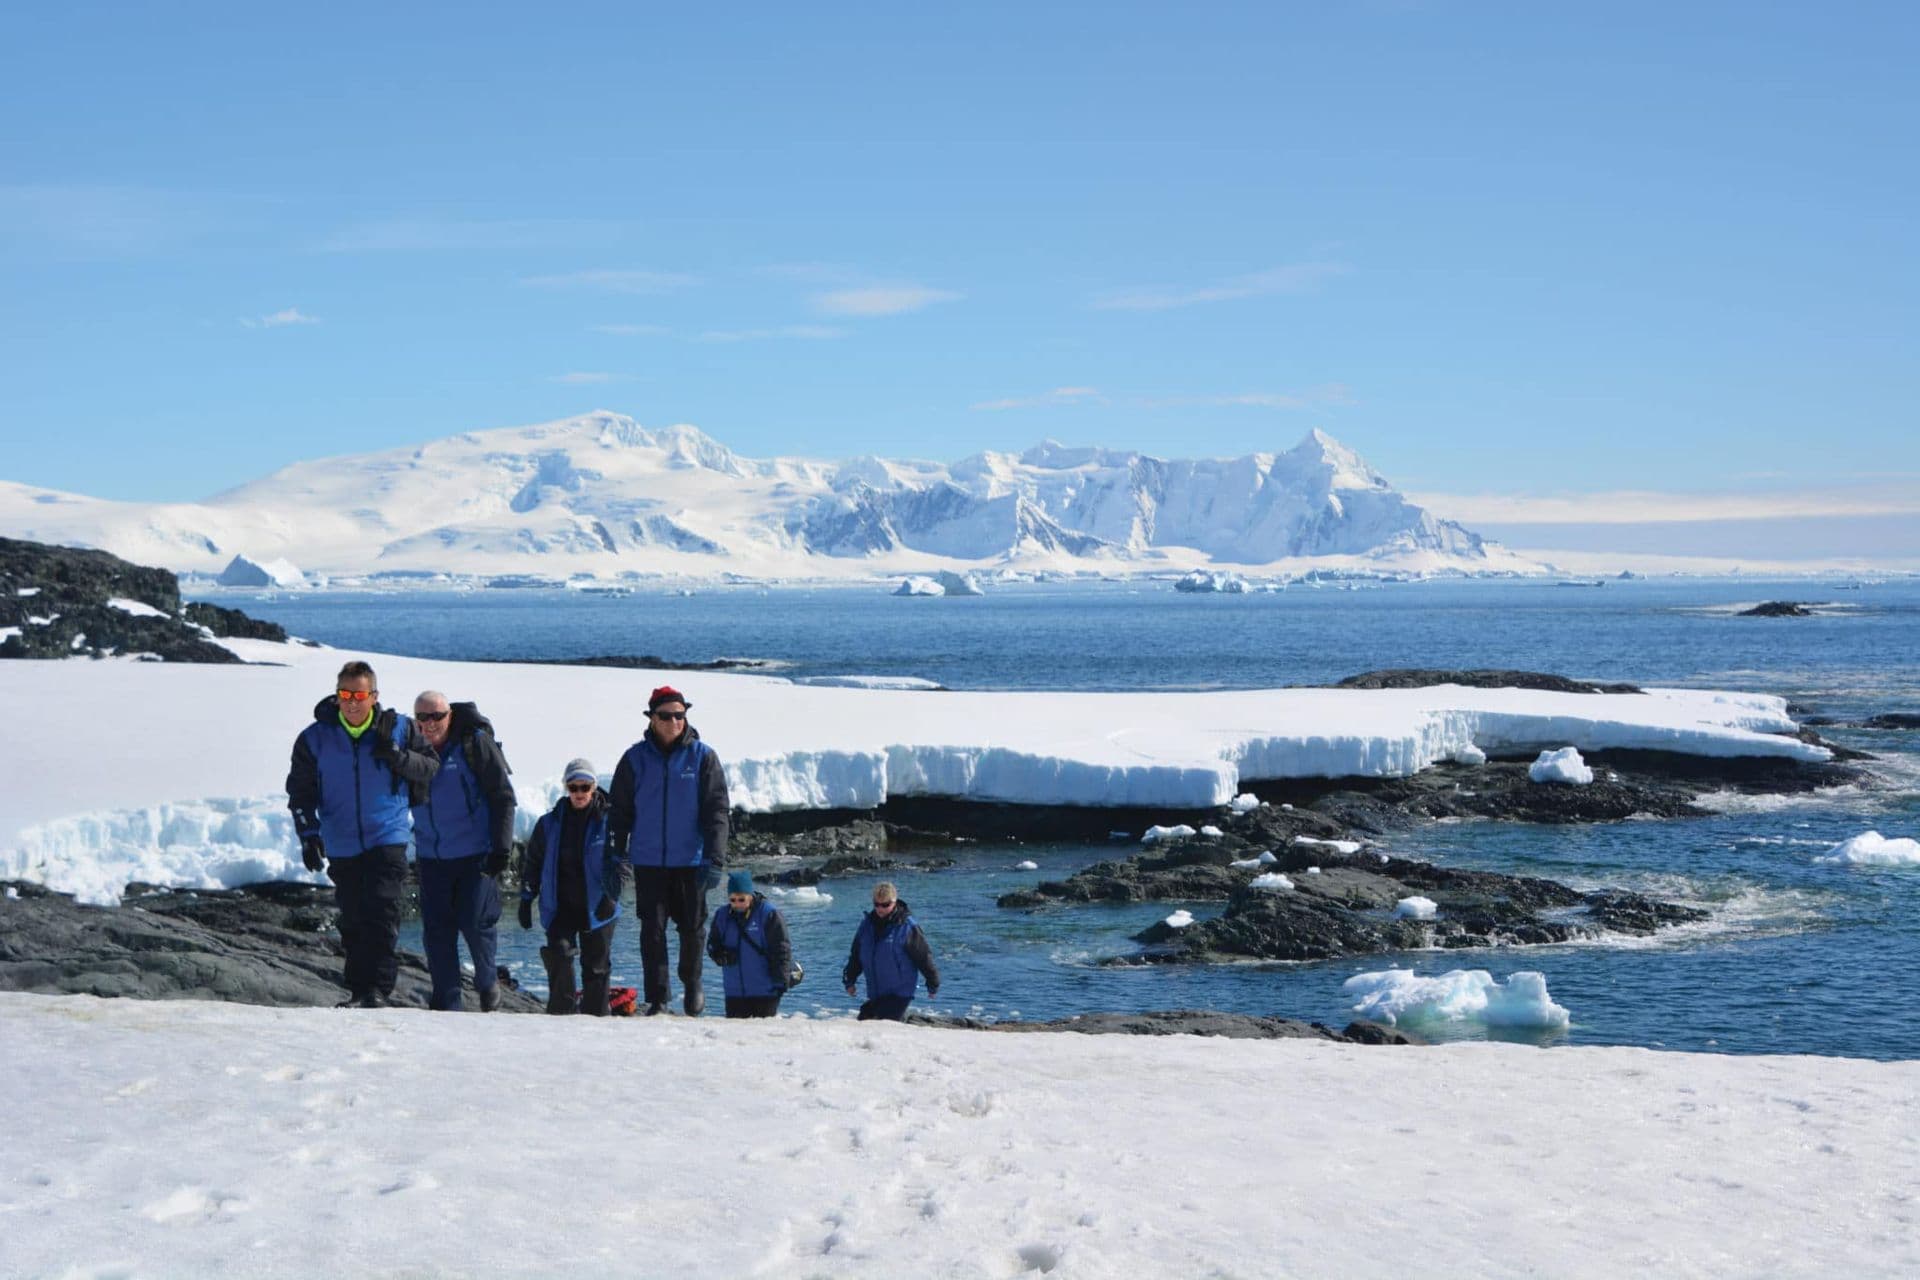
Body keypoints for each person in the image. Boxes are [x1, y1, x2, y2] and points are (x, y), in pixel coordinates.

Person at [287, 660, 440, 1008]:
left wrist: (398, 757)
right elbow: (300, 791)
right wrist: (308, 834)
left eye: (359, 695)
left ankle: (377, 991)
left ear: (374, 696)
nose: (352, 703)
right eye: (345, 695)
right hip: (342, 841)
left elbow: (430, 766)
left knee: (382, 912)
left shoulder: (398, 729)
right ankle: (359, 990)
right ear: (337, 696)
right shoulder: (314, 738)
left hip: (387, 836)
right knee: (354, 918)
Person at [609, 685, 730, 1016]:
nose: (674, 721)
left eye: (680, 715)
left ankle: (692, 983)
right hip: (649, 861)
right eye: (666, 716)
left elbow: (717, 811)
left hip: (691, 861)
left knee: (692, 929)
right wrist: (616, 855)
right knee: (652, 931)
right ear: (651, 718)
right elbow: (619, 813)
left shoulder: (703, 757)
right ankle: (659, 997)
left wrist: (715, 858)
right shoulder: (634, 759)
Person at [409, 690, 517, 1013]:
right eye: (423, 717)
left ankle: (487, 981)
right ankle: (448, 1004)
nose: (430, 723)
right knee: (437, 935)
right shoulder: (410, 750)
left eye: (437, 716)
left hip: (475, 855)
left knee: (475, 923)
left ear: (450, 716)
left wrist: (501, 848)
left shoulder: (473, 745)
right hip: (432, 858)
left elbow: (502, 796)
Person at [518, 759, 626, 1016]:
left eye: (585, 787)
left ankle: (596, 1020)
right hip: (560, 906)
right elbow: (533, 862)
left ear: (594, 787)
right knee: (559, 956)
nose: (579, 793)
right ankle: (561, 1017)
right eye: (573, 787)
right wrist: (526, 898)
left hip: (598, 908)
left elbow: (623, 861)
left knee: (596, 968)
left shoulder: (609, 822)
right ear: (566, 788)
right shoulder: (549, 824)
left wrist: (612, 896)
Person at [841, 881, 940, 1022]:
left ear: (894, 902)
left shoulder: (907, 927)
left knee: (882, 1025)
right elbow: (857, 955)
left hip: (900, 993)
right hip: (876, 992)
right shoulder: (866, 925)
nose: (880, 909)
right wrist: (850, 980)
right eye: (876, 904)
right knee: (863, 1021)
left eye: (885, 905)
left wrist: (932, 983)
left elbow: (923, 957)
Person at [706, 871, 793, 1019]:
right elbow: (712, 944)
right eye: (732, 900)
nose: (737, 904)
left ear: (750, 895)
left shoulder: (768, 914)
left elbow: (782, 950)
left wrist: (781, 981)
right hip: (734, 993)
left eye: (741, 899)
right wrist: (719, 955)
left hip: (765, 992)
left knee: (763, 1031)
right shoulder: (722, 916)